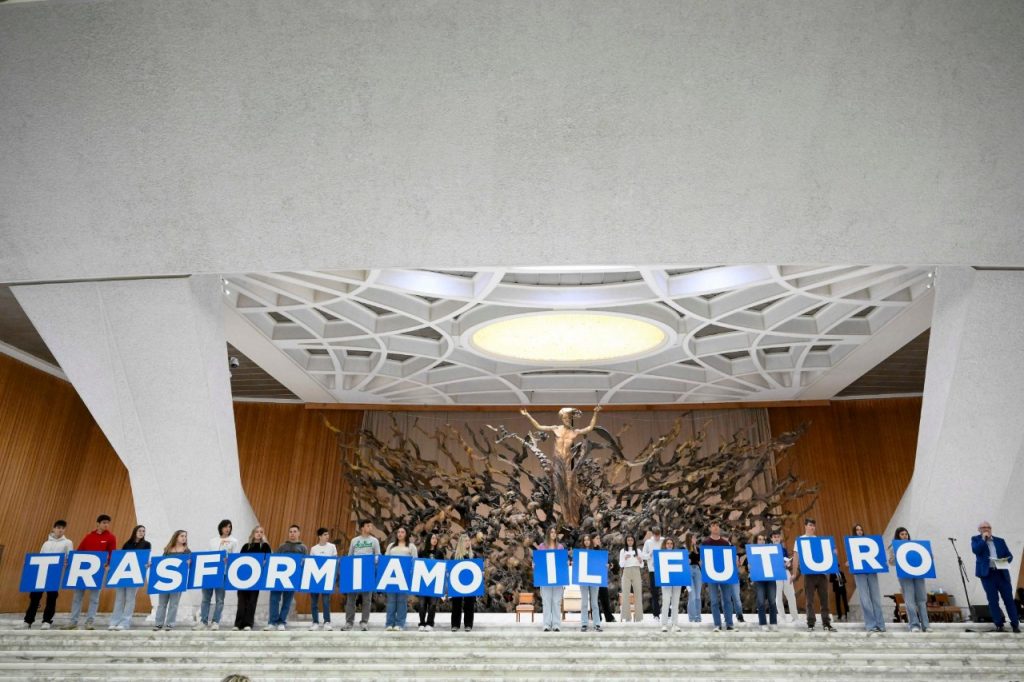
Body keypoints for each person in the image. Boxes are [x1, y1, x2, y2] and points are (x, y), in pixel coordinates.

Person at [64, 514, 117, 630]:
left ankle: (89, 622)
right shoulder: (88, 537)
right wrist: (69, 561)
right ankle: (73, 622)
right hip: (82, 571)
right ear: (98, 523)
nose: (106, 525)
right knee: (77, 597)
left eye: (108, 523)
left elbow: (112, 554)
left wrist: (107, 563)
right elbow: (79, 551)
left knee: (94, 598)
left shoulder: (111, 537)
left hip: (98, 572)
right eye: (104, 522)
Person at [21, 520, 73, 630]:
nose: (60, 530)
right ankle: (28, 621)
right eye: (58, 527)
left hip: (55, 574)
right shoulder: (46, 543)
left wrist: (67, 562)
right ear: (53, 529)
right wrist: (30, 563)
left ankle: (47, 621)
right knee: (35, 596)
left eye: (62, 528)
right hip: (41, 573)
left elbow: (70, 558)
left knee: (51, 597)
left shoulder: (68, 542)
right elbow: (40, 557)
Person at [971, 521, 1020, 633]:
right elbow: (976, 550)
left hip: (1001, 574)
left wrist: (1002, 562)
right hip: (988, 575)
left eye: (988, 527)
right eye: (983, 527)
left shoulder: (1000, 541)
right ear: (979, 530)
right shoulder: (976, 539)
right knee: (993, 601)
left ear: (991, 529)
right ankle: (999, 625)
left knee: (1009, 600)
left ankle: (1015, 624)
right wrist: (983, 539)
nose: (986, 529)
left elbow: (1009, 556)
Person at [793, 518, 836, 632]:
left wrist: (832, 554)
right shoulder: (800, 540)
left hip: (821, 574)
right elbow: (796, 557)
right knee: (809, 600)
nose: (812, 527)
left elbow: (825, 555)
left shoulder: (818, 540)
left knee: (824, 600)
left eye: (813, 525)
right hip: (809, 575)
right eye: (810, 525)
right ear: (805, 526)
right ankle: (811, 623)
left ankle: (826, 623)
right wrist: (794, 573)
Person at [197, 519, 240, 631]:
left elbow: (235, 557)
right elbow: (207, 554)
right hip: (210, 573)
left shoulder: (234, 541)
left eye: (229, 527)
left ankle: (215, 622)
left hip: (223, 573)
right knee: (206, 598)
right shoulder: (213, 541)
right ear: (221, 528)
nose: (227, 529)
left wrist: (228, 560)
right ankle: (203, 621)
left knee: (220, 599)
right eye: (225, 526)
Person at [266, 524, 308, 631]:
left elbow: (305, 563)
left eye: (294, 531)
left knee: (287, 601)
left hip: (292, 579)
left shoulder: (303, 548)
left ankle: (281, 622)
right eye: (290, 532)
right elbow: (275, 560)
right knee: (274, 599)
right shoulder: (282, 546)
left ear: (299, 533)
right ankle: (272, 622)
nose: (292, 534)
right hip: (278, 577)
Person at [888, 526, 929, 633]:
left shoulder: (915, 545)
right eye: (902, 534)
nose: (905, 536)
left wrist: (928, 555)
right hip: (905, 576)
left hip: (918, 574)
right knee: (910, 600)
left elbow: (926, 556)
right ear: (898, 536)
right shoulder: (893, 547)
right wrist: (896, 555)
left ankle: (926, 625)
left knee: (921, 599)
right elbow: (891, 563)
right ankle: (914, 625)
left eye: (906, 534)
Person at [109, 525, 151, 631]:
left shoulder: (146, 544)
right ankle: (114, 622)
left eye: (143, 531)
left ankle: (125, 623)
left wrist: (147, 564)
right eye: (140, 530)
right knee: (119, 599)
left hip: (135, 575)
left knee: (130, 599)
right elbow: (121, 557)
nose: (141, 532)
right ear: (135, 532)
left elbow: (146, 558)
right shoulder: (127, 544)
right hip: (122, 574)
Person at [344, 519, 381, 631]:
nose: (370, 528)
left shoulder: (374, 541)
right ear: (362, 527)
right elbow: (350, 556)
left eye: (371, 526)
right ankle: (349, 622)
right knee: (351, 598)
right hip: (355, 570)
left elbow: (378, 555)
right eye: (368, 526)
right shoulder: (354, 540)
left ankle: (364, 622)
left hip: (368, 571)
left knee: (367, 599)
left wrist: (373, 561)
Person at [233, 525, 271, 631]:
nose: (259, 533)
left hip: (256, 578)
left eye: (261, 532)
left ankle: (248, 624)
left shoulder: (265, 547)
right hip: (243, 577)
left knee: (252, 601)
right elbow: (239, 560)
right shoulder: (246, 546)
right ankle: (238, 624)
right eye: (257, 531)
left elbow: (268, 560)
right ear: (253, 533)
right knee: (241, 601)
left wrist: (265, 562)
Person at [849, 524, 885, 633]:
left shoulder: (870, 542)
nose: (859, 531)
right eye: (857, 530)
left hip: (871, 571)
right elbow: (850, 559)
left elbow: (876, 554)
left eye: (861, 529)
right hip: (860, 572)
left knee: (876, 598)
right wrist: (849, 562)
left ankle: (880, 624)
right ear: (854, 532)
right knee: (865, 599)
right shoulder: (851, 544)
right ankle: (871, 625)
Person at [153, 530, 191, 631]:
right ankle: (158, 623)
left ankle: (170, 624)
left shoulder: (187, 551)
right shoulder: (168, 550)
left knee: (174, 604)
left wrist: (189, 563)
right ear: (176, 537)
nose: (184, 538)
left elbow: (190, 565)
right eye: (182, 536)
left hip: (178, 581)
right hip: (164, 580)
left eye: (185, 536)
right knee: (162, 603)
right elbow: (161, 563)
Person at [384, 527, 417, 631]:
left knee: (402, 601)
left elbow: (415, 562)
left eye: (402, 532)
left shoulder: (411, 546)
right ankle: (389, 623)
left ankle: (400, 624)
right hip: (391, 576)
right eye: (398, 532)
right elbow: (385, 560)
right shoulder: (391, 546)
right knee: (391, 601)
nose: (400, 534)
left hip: (404, 577)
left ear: (406, 534)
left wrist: (411, 575)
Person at [704, 521, 735, 632]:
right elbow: (703, 560)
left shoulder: (725, 543)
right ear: (710, 528)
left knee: (727, 600)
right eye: (713, 525)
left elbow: (730, 558)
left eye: (717, 525)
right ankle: (717, 624)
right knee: (714, 601)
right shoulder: (706, 543)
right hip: (711, 574)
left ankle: (729, 624)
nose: (716, 527)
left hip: (725, 574)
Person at [309, 527, 338, 631]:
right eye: (325, 534)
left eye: (328, 534)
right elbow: (311, 563)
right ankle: (315, 622)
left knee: (326, 601)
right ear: (320, 536)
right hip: (315, 577)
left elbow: (335, 561)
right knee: (314, 601)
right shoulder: (313, 549)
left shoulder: (332, 547)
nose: (327, 536)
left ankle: (327, 622)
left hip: (327, 577)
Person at [538, 526, 565, 632]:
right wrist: (535, 564)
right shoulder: (542, 546)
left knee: (556, 602)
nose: (553, 534)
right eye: (551, 532)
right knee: (546, 601)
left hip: (558, 578)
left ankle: (556, 624)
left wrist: (566, 563)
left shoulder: (560, 547)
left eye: (555, 532)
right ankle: (546, 624)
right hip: (545, 578)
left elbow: (562, 562)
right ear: (548, 534)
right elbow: (539, 561)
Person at [417, 533, 445, 631]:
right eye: (432, 538)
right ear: (429, 539)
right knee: (422, 604)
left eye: (436, 538)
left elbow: (443, 567)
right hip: (423, 583)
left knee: (432, 604)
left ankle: (430, 623)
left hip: (435, 583)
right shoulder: (422, 553)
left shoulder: (439, 553)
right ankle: (422, 623)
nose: (434, 540)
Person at [750, 534, 778, 631]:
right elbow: (750, 566)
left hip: (771, 578)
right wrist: (750, 567)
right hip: (759, 579)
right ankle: (762, 623)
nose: (762, 541)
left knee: (772, 601)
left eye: (763, 539)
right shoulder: (752, 552)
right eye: (759, 539)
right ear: (756, 541)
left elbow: (776, 562)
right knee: (761, 601)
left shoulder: (771, 550)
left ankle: (773, 623)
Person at [449, 533, 476, 632]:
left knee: (469, 603)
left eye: (469, 540)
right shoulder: (454, 556)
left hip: (470, 583)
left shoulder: (473, 555)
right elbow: (450, 570)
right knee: (456, 603)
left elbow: (478, 569)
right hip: (457, 583)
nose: (468, 542)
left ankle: (468, 625)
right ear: (461, 542)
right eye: (465, 541)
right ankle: (455, 625)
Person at [576, 534, 602, 632]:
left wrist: (606, 564)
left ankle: (597, 624)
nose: (586, 541)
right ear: (583, 542)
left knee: (594, 602)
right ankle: (584, 623)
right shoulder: (580, 552)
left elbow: (601, 562)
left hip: (594, 578)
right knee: (584, 602)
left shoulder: (596, 551)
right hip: (583, 578)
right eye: (585, 540)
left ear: (591, 541)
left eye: (588, 539)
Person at [771, 528, 798, 622]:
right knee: (778, 596)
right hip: (775, 573)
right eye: (775, 537)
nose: (776, 538)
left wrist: (788, 563)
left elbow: (787, 562)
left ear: (780, 538)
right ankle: (782, 617)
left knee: (791, 594)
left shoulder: (783, 549)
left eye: (778, 537)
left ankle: (795, 617)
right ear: (771, 538)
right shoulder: (768, 549)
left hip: (785, 572)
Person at [658, 537, 683, 632]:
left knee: (675, 603)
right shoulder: (660, 555)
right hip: (666, 581)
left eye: (671, 543)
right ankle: (664, 624)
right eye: (667, 543)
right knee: (666, 602)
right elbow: (656, 566)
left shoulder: (677, 554)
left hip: (677, 580)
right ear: (664, 544)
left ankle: (675, 624)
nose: (669, 545)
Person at [618, 535, 643, 623]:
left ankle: (639, 617)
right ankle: (627, 617)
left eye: (631, 540)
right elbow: (621, 565)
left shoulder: (638, 551)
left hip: (636, 571)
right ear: (626, 541)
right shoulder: (623, 551)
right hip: (626, 571)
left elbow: (642, 565)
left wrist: (640, 560)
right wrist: (625, 559)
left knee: (638, 594)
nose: (630, 542)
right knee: (625, 594)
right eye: (628, 540)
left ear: (634, 541)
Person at [592, 533, 616, 622]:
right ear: (592, 540)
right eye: (597, 538)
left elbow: (608, 562)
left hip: (601, 576)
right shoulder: (589, 551)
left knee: (604, 597)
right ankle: (597, 617)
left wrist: (610, 565)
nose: (599, 540)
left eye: (599, 538)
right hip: (592, 576)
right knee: (595, 598)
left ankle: (609, 617)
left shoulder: (602, 551)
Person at [642, 526, 664, 620]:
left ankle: (667, 613)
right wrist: (649, 555)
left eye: (659, 535)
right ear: (653, 534)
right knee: (655, 593)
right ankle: (656, 614)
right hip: (653, 570)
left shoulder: (663, 540)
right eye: (656, 535)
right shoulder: (648, 542)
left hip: (663, 569)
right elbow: (643, 555)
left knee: (665, 592)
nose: (657, 537)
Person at [686, 533, 703, 623]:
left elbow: (699, 560)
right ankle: (692, 617)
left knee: (697, 595)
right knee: (692, 595)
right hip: (688, 571)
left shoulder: (698, 549)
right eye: (693, 538)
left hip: (697, 570)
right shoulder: (685, 549)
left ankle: (698, 617)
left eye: (695, 538)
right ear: (689, 539)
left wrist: (695, 548)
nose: (695, 539)